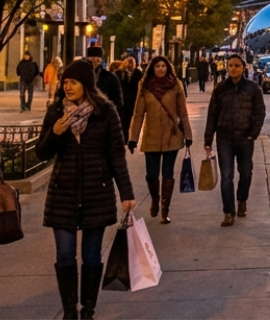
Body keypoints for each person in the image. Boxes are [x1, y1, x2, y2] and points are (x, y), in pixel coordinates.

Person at [37, 59, 136, 320]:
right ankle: (70, 310)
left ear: (86, 84)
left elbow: (116, 155)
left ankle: (88, 310)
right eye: (65, 82)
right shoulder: (57, 111)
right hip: (63, 192)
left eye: (73, 82)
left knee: (92, 256)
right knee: (65, 255)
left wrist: (126, 193)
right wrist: (55, 132)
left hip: (97, 192)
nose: (68, 87)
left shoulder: (105, 112)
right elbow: (41, 153)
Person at [127, 54, 193, 225]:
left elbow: (183, 112)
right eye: (158, 66)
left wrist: (188, 135)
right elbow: (138, 113)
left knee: (168, 173)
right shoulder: (145, 86)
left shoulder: (175, 84)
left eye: (163, 66)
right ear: (152, 68)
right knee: (151, 174)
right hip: (152, 136)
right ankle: (155, 199)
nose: (161, 69)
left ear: (168, 67)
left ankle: (165, 209)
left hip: (172, 135)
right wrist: (133, 138)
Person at [204, 54, 266, 227]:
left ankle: (242, 199)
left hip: (245, 138)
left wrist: (252, 134)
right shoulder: (220, 89)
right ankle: (228, 212)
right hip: (225, 138)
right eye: (230, 65)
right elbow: (212, 115)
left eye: (236, 65)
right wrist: (208, 139)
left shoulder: (253, 89)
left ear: (243, 67)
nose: (233, 68)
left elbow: (260, 113)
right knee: (227, 176)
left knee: (246, 173)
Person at [116, 56, 142, 136]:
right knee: (120, 119)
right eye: (128, 62)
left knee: (128, 119)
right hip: (121, 100)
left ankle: (125, 135)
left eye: (132, 62)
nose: (130, 64)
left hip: (132, 100)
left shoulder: (138, 74)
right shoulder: (118, 73)